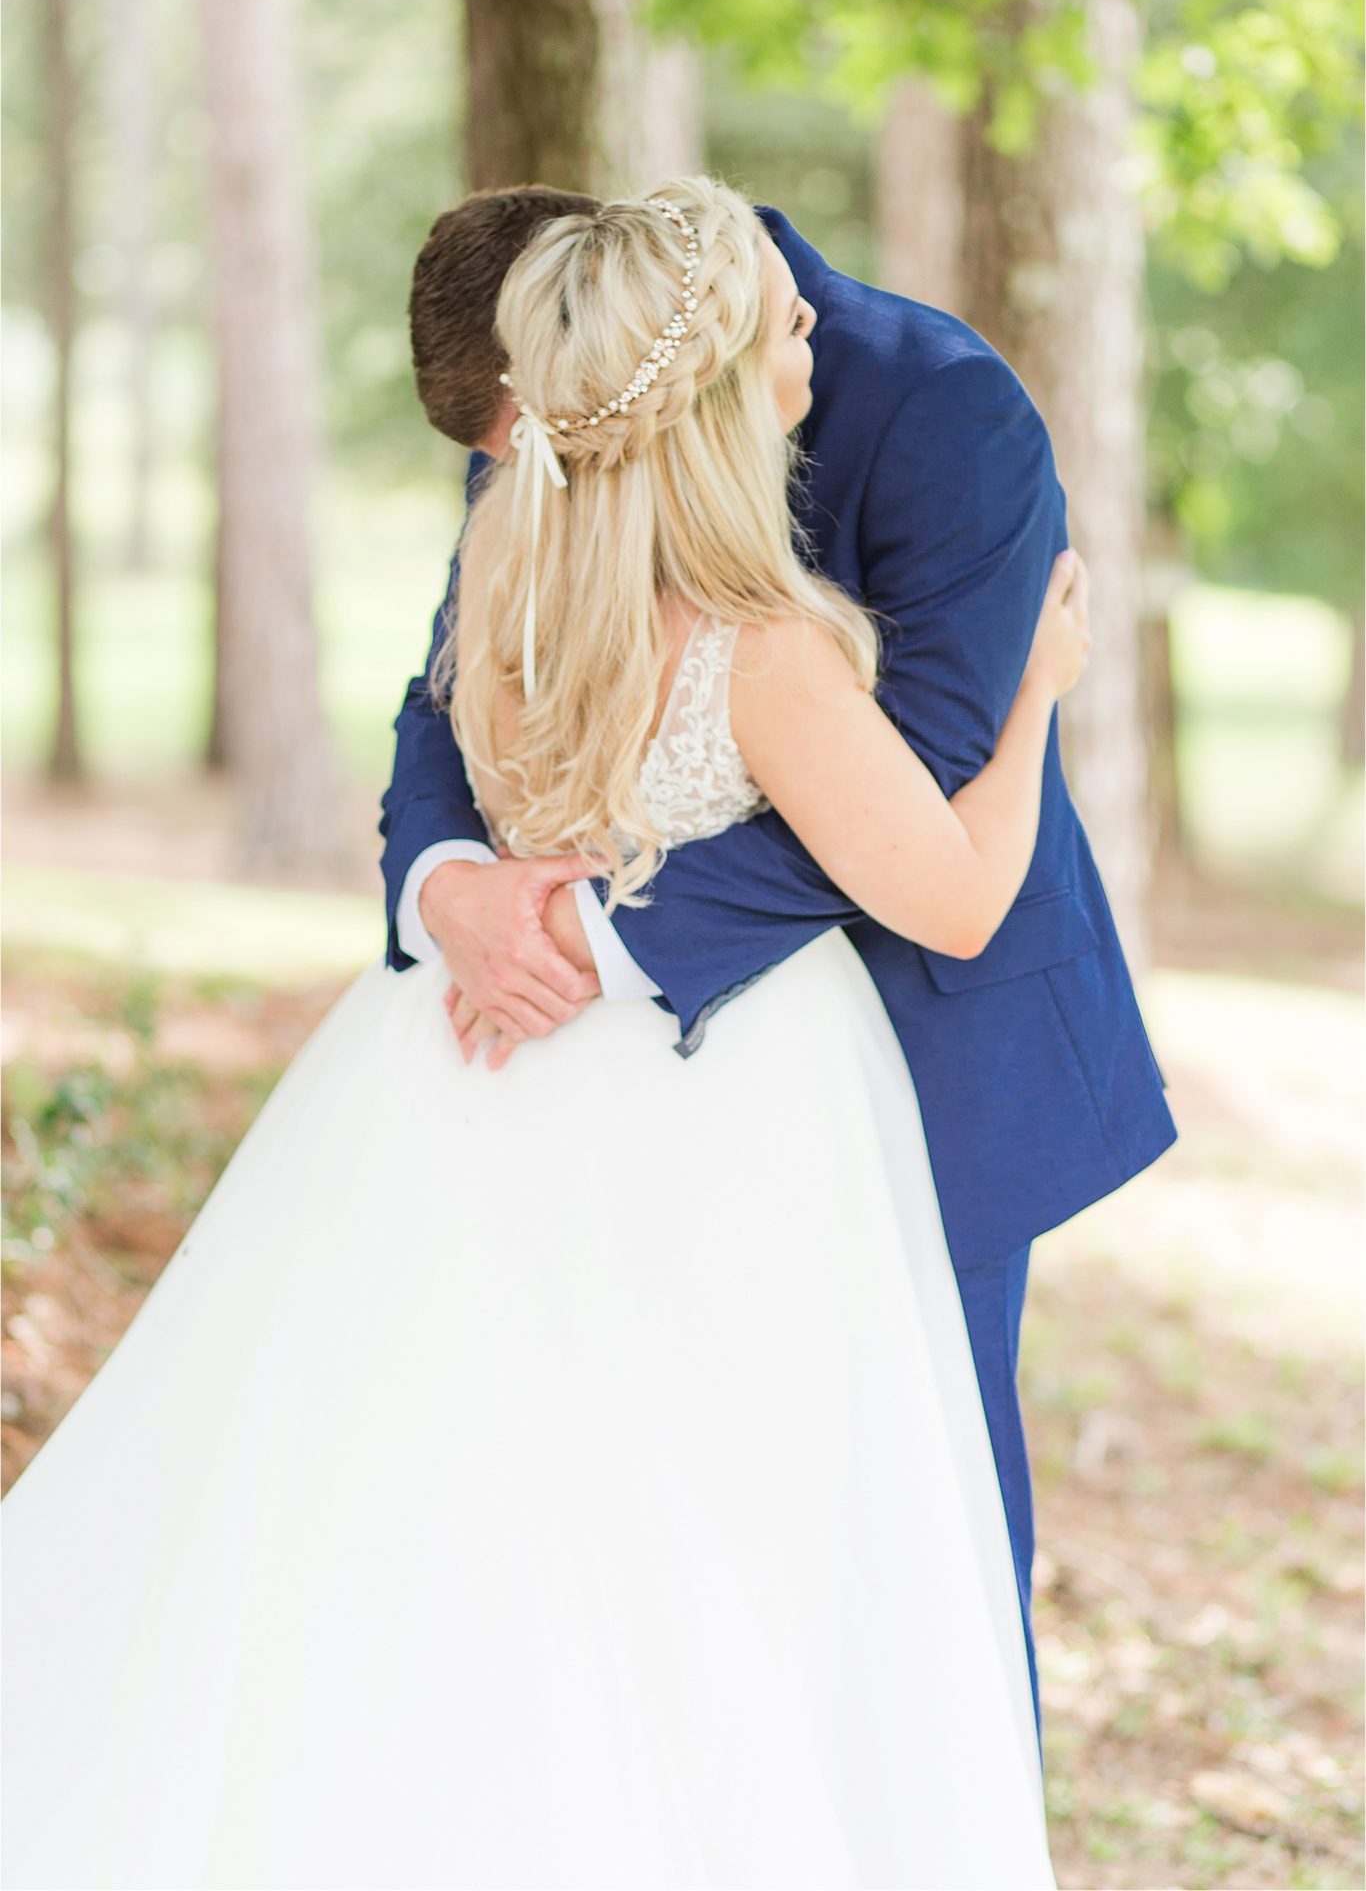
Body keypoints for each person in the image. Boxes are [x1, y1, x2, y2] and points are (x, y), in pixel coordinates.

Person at [3, 176, 1084, 1888]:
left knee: (481, 1509)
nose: (805, 339)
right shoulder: (764, 645)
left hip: (487, 1082)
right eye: (772, 334)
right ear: (711, 375)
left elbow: (476, 715)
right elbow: (944, 886)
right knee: (755, 1523)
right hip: (732, 1107)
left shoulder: (527, 553)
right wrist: (1037, 701)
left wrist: (562, 912)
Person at [384, 182, 1182, 1748]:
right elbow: (437, 713)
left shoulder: (941, 407)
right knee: (594, 1513)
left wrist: (593, 921)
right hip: (592, 1055)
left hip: (889, 1061)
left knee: (913, 1521)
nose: (521, 477)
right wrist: (452, 885)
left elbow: (929, 751)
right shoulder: (572, 478)